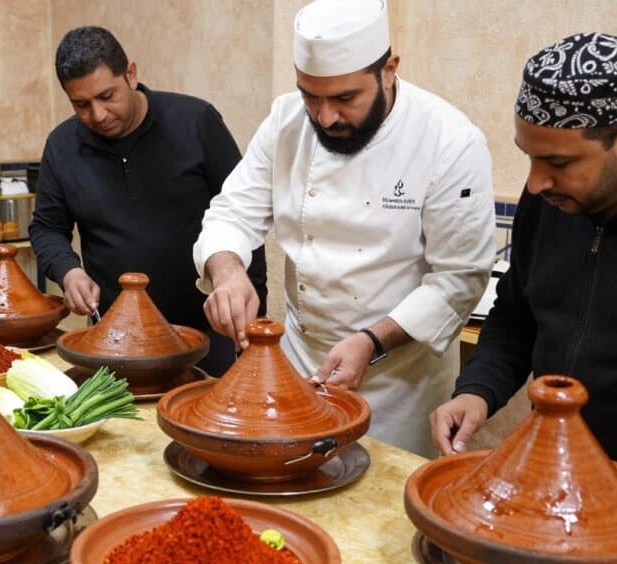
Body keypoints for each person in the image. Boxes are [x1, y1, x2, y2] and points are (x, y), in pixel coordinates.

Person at [430, 32, 617, 546]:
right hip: (558, 495)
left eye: (557, 162)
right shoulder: (554, 201)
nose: (535, 184)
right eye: (529, 157)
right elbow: (517, 314)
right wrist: (478, 390)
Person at [192, 0, 495, 457]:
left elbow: (459, 279)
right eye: (310, 95)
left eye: (345, 98)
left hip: (399, 384)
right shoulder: (285, 121)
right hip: (299, 363)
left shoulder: (449, 141)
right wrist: (228, 271)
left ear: (389, 69)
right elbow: (232, 212)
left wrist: (371, 342)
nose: (325, 116)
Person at [29, 26, 267, 377]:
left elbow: (244, 217)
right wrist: (69, 271)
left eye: (107, 95)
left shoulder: (196, 122)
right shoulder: (62, 146)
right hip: (118, 340)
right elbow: (47, 228)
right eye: (81, 104)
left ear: (131, 74)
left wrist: (251, 317)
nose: (97, 115)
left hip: (209, 333)